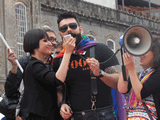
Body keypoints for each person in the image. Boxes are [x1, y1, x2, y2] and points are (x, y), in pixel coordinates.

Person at [53, 12, 120, 120]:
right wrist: (62, 104)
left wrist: (100, 73)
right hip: (76, 115)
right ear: (60, 35)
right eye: (64, 28)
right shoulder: (59, 59)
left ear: (80, 29)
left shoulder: (101, 49)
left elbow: (118, 82)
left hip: (102, 114)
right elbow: (58, 89)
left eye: (73, 26)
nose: (69, 30)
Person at [18, 28, 75, 120]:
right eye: (45, 41)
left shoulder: (42, 65)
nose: (50, 44)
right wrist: (67, 52)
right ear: (34, 44)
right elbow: (57, 80)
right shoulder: (34, 65)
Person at [4, 26, 59, 120]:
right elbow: (10, 90)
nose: (52, 43)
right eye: (47, 40)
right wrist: (14, 67)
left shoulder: (56, 63)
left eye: (54, 40)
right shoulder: (25, 62)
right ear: (35, 42)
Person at [118, 36, 160, 119]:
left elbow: (141, 93)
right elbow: (122, 89)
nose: (141, 54)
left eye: (145, 50)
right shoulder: (141, 75)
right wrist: (126, 67)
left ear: (155, 53)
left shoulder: (157, 73)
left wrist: (132, 69)